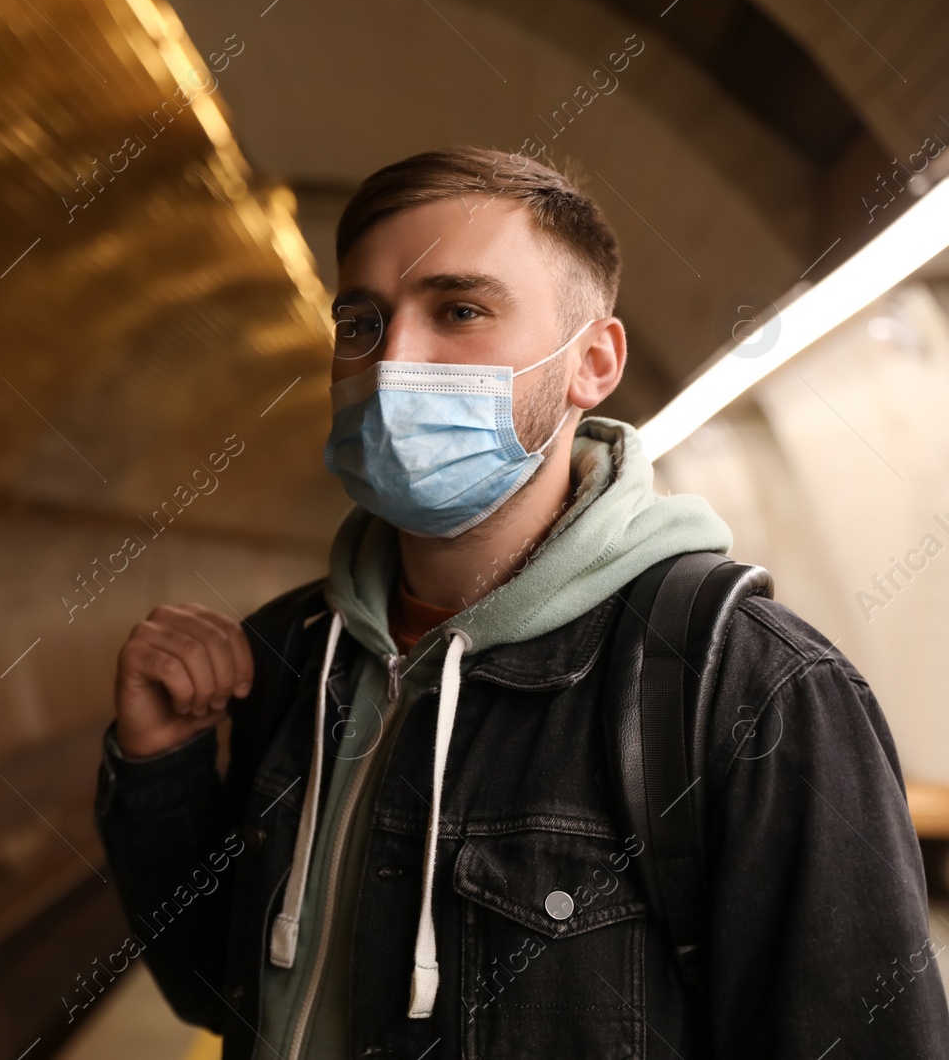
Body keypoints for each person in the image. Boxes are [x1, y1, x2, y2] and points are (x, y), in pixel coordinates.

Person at [92, 148, 949, 1059]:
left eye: (459, 311)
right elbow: (222, 990)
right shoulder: (295, 652)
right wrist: (161, 770)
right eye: (361, 320)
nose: (393, 360)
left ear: (592, 363)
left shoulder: (744, 691)